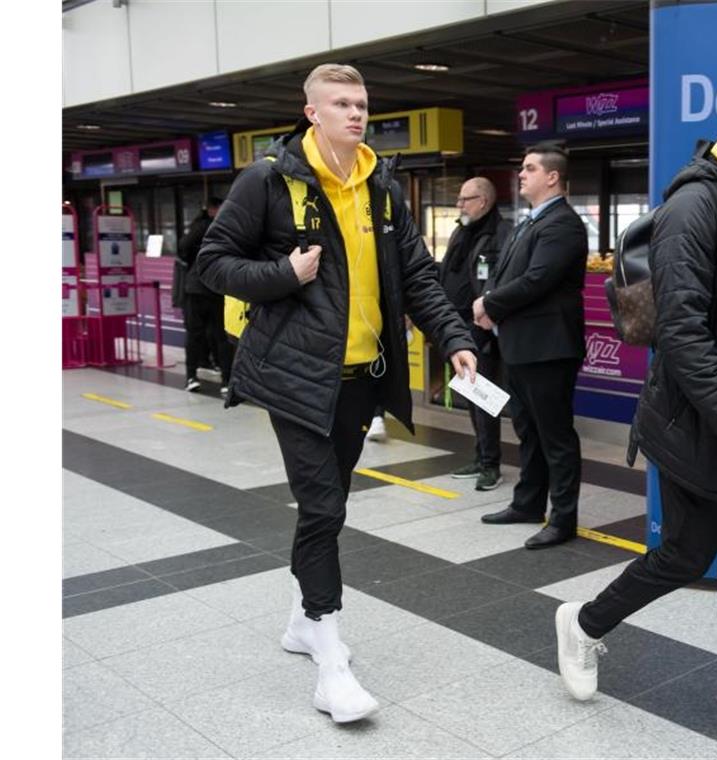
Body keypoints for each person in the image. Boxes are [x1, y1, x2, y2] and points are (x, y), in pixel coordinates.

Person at [197, 63, 477, 724]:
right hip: (295, 378)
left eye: (362, 104)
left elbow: (417, 274)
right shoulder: (268, 181)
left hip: (362, 379)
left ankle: (300, 621)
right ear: (312, 111)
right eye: (342, 104)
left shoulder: (382, 186)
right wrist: (283, 274)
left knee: (331, 503)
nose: (356, 114)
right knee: (322, 508)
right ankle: (331, 665)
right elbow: (212, 262)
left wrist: (454, 338)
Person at [552, 83, 717, 746]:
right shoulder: (697, 204)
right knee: (684, 554)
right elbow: (681, 330)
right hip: (702, 422)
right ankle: (583, 624)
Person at [473, 143, 587, 549]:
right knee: (528, 431)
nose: (521, 174)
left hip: (549, 348)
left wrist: (489, 304)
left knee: (555, 436)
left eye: (530, 168)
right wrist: (489, 304)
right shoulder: (529, 222)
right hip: (521, 345)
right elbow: (505, 272)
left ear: (552, 177)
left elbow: (537, 279)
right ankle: (528, 503)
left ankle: (564, 518)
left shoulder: (564, 224)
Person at [440, 177, 511, 490]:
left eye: (466, 199)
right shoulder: (462, 231)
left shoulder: (501, 233)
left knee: (483, 395)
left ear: (483, 201)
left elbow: (500, 277)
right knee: (470, 394)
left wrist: (487, 313)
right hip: (457, 325)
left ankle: (490, 464)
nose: (460, 205)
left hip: (482, 327)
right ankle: (481, 455)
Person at [178, 197, 232, 393]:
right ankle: (226, 380)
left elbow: (182, 248)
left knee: (195, 333)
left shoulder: (199, 227)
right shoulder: (227, 227)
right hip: (217, 288)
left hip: (196, 287)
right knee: (221, 335)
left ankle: (191, 376)